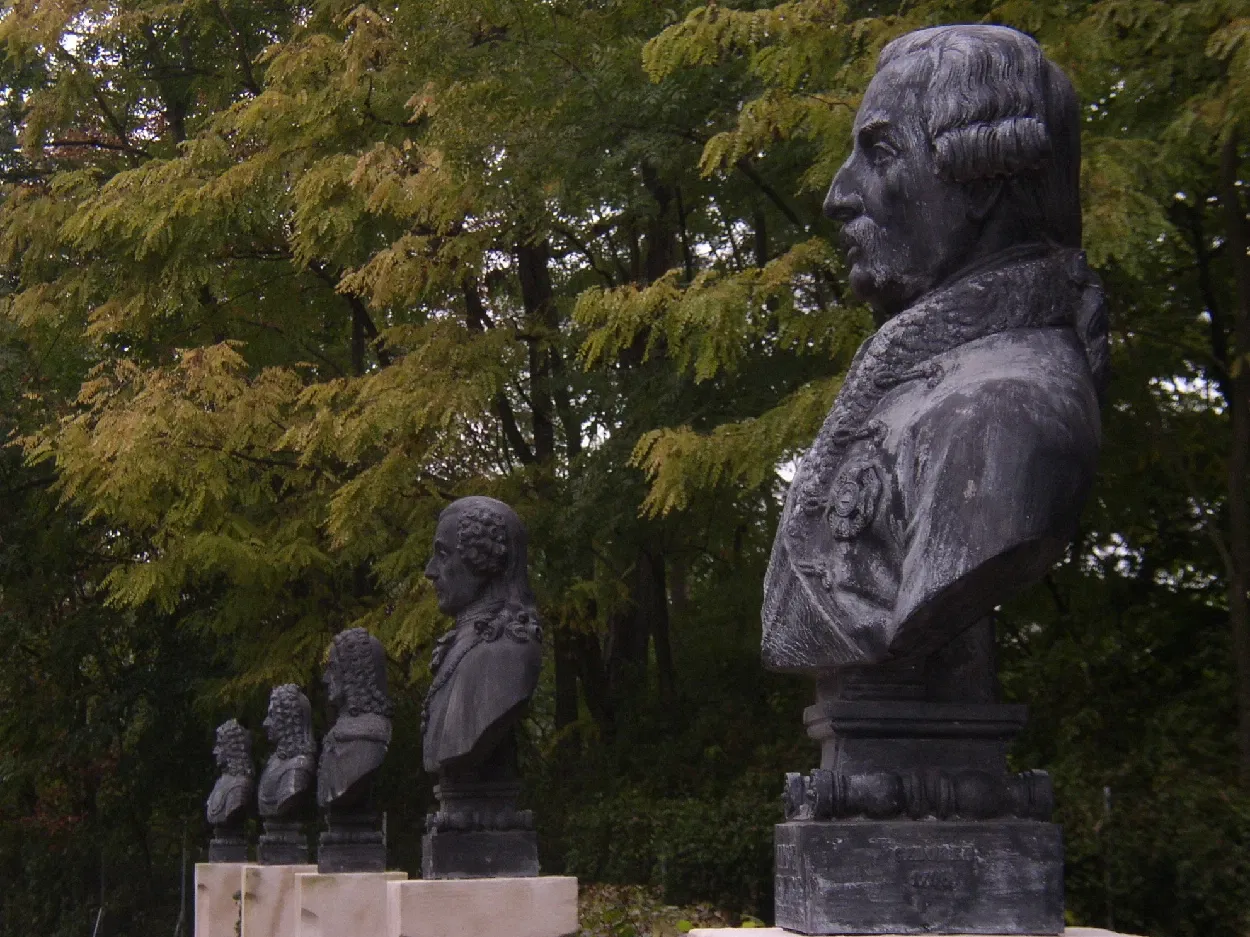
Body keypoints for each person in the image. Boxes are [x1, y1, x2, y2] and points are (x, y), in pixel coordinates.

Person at [762, 25, 1107, 679]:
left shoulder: (1006, 411)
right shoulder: (927, 377)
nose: (838, 196)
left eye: (881, 153)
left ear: (981, 183)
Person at [422, 496, 541, 786]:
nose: (430, 571)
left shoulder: (506, 654)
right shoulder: (462, 649)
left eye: (443, 554)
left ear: (482, 558)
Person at [316, 628, 392, 810]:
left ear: (355, 673)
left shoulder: (368, 737)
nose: (326, 679)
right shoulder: (341, 734)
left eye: (332, 668)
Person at [258, 683, 316, 819]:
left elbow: (291, 793)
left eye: (272, 716)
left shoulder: (298, 767)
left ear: (289, 719)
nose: (266, 723)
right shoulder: (274, 762)